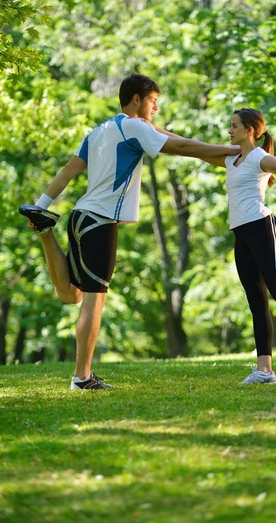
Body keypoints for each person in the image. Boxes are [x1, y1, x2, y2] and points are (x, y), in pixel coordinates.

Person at [19, 74, 240, 390]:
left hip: (79, 218)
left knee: (71, 294)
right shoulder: (135, 126)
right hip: (100, 223)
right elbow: (180, 145)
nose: (156, 108)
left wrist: (41, 204)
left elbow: (68, 171)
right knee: (92, 302)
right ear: (136, 99)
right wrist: (233, 150)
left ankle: (45, 230)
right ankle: (82, 378)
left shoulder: (99, 131)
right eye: (152, 101)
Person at [203, 108, 276, 384]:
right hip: (240, 234)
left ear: (250, 130)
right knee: (256, 301)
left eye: (234, 126)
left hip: (262, 228)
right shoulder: (232, 159)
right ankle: (264, 371)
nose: (230, 131)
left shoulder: (259, 158)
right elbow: (193, 150)